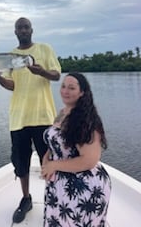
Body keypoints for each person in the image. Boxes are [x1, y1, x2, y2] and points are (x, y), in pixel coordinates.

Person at [0, 17, 61, 223]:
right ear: (15, 32)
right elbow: (12, 85)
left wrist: (41, 71)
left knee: (50, 161)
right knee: (21, 163)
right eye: (19, 28)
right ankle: (26, 199)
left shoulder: (45, 49)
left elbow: (56, 75)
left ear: (31, 30)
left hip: (44, 116)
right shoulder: (10, 57)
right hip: (19, 118)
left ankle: (54, 199)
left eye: (26, 27)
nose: (23, 30)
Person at [41, 72, 111, 227]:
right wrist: (47, 158)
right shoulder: (63, 112)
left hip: (82, 187)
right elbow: (54, 140)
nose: (65, 91)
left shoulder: (86, 120)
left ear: (82, 93)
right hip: (59, 183)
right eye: (63, 86)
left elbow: (89, 160)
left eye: (71, 88)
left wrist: (54, 165)